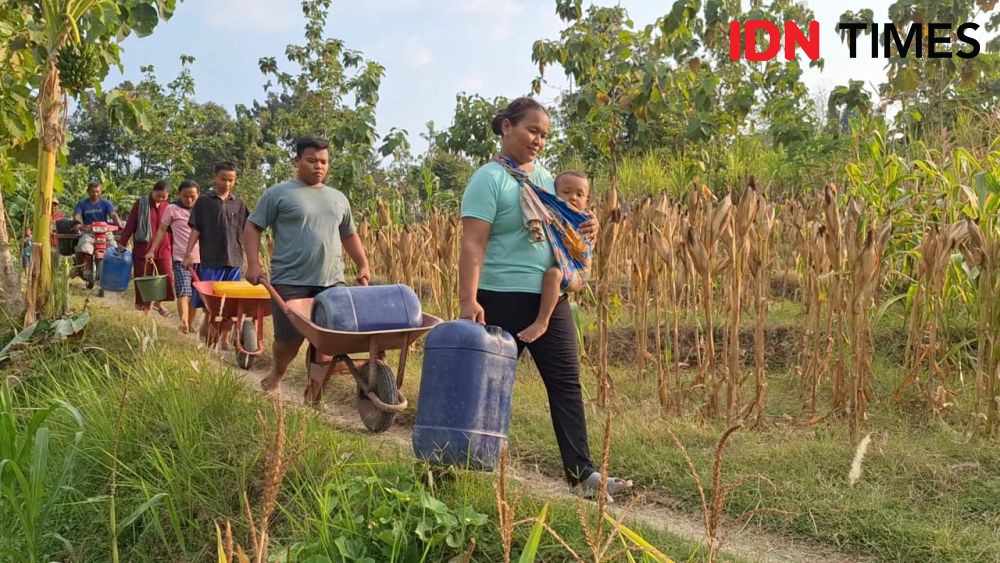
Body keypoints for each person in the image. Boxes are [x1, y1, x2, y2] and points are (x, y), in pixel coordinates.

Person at [458, 97, 632, 496]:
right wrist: (469, 301)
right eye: (531, 131)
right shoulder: (489, 179)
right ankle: (472, 460)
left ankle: (582, 474)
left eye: (544, 135)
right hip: (500, 297)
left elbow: (565, 222)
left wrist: (587, 228)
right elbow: (472, 243)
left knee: (566, 382)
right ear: (506, 127)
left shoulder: (546, 177)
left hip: (549, 300)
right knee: (492, 384)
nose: (538, 140)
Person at [244, 135, 371, 393]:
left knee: (326, 343)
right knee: (287, 342)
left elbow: (348, 234)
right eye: (312, 160)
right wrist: (253, 264)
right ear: (297, 160)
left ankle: (313, 393)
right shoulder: (278, 194)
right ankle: (278, 372)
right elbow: (252, 226)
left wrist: (363, 264)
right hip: (289, 281)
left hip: (332, 282)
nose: (319, 166)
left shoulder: (338, 198)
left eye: (324, 161)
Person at [517, 170, 591, 344]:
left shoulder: (585, 219)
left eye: (579, 194)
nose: (573, 198)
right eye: (566, 192)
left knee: (553, 275)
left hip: (579, 272)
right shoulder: (554, 212)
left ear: (587, 201)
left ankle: (542, 322)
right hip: (568, 271)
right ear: (554, 194)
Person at [182, 162, 248, 346]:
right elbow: (196, 229)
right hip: (212, 260)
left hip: (234, 260)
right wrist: (188, 254)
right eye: (223, 179)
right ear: (215, 178)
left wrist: (254, 258)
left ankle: (225, 339)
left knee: (231, 306)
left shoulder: (239, 204)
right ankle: (207, 332)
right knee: (211, 305)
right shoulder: (204, 202)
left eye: (231, 180)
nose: (227, 184)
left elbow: (247, 231)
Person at [147, 180, 201, 333]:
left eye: (193, 196)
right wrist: (152, 250)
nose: (189, 200)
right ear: (179, 195)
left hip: (201, 258)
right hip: (181, 258)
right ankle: (183, 322)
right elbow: (161, 230)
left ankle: (190, 324)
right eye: (185, 196)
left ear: (198, 195)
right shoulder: (172, 209)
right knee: (184, 291)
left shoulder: (202, 209)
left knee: (195, 295)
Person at [120, 180, 174, 316]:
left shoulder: (168, 207)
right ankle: (146, 309)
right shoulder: (141, 204)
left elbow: (172, 229)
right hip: (143, 248)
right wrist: (123, 242)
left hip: (163, 247)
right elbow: (131, 223)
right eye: (158, 196)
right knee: (145, 278)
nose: (161, 199)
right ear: (152, 191)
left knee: (169, 277)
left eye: (164, 197)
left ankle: (159, 303)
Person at [73, 181, 123, 275]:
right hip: (89, 232)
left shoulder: (106, 203)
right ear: (88, 192)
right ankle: (78, 268)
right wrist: (78, 223)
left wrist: (119, 224)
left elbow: (113, 214)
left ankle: (115, 271)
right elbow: (77, 215)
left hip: (105, 232)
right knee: (82, 246)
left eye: (97, 191)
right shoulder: (82, 204)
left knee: (114, 248)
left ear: (100, 192)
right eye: (92, 191)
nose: (95, 194)